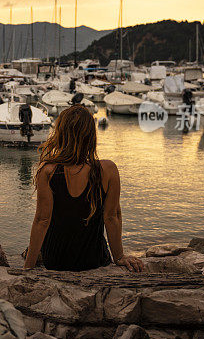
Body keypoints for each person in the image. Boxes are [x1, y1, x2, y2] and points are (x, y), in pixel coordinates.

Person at [24, 104, 144, 272]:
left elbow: (41, 220)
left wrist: (27, 268)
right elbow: (111, 217)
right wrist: (119, 257)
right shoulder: (108, 170)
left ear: (61, 134)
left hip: (56, 260)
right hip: (93, 260)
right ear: (91, 136)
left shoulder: (48, 171)